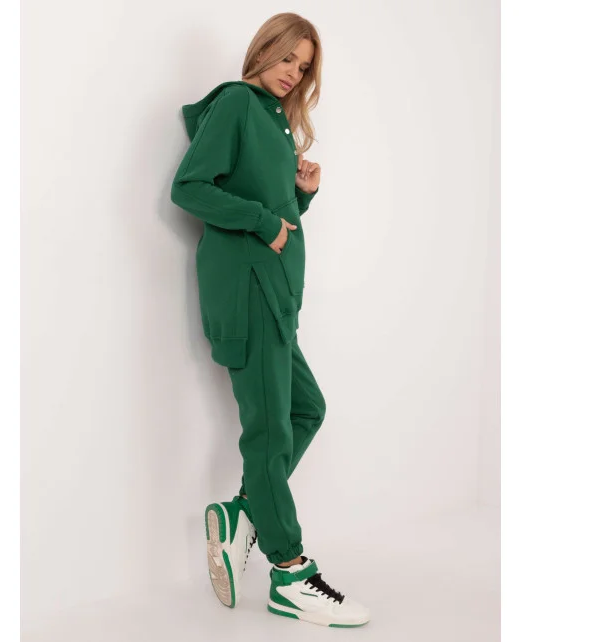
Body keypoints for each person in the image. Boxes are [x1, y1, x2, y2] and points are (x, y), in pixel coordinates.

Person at [170, 12, 370, 628]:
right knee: (269, 432)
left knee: (306, 409)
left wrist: (300, 194)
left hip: (275, 297)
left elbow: (277, 222)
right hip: (248, 293)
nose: (293, 74)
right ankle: (289, 572)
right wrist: (264, 220)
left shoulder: (274, 121)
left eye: (303, 68)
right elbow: (189, 187)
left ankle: (242, 514)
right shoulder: (237, 103)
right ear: (264, 49)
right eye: (287, 58)